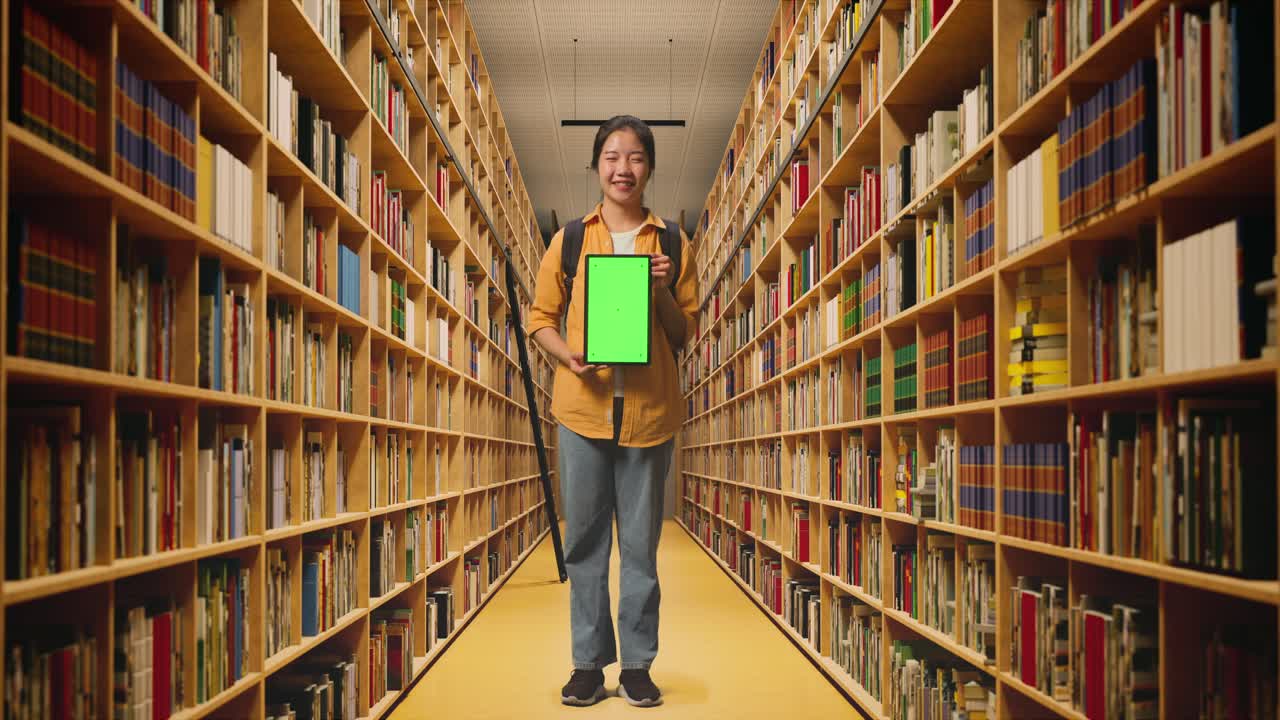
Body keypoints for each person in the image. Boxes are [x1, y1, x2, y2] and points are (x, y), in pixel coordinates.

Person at [526, 115, 698, 707]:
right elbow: (538, 320)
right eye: (612, 157)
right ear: (597, 165)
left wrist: (661, 292)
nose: (623, 169)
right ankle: (586, 664)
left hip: (649, 412)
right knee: (585, 546)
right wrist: (569, 358)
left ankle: (638, 666)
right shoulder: (570, 240)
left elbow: (683, 336)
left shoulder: (672, 242)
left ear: (649, 168)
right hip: (582, 412)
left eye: (636, 158)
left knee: (642, 548)